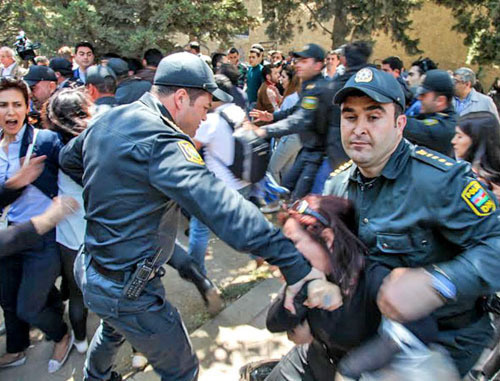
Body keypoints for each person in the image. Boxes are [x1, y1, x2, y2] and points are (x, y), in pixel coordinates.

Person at [59, 52, 336, 381]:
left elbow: (69, 159)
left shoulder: (110, 119)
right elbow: (220, 206)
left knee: (113, 328)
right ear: (180, 98)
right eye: (204, 108)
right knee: (183, 369)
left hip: (91, 269)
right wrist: (291, 261)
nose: (205, 119)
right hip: (128, 288)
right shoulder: (163, 142)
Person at [323, 67, 500, 377]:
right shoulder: (337, 186)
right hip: (370, 332)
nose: (359, 129)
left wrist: (439, 282)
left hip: (442, 342)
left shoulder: (440, 181)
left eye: (373, 117)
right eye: (350, 117)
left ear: (400, 124)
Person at [0, 77, 73, 372]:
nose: (10, 111)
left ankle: (61, 334)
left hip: (43, 237)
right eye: (2, 105)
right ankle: (17, 348)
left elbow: (75, 173)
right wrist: (16, 184)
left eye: (17, 104)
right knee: (8, 300)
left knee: (28, 307)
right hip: (8, 235)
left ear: (27, 107)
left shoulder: (45, 140)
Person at [249, 43, 332, 199]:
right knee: (288, 189)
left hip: (322, 157)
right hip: (309, 151)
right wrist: (272, 117)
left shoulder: (320, 89)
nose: (298, 64)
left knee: (302, 199)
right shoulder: (310, 86)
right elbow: (295, 111)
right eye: (298, 60)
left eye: (304, 61)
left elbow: (299, 120)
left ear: (318, 65)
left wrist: (265, 130)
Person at [403, 69, 457, 156]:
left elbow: (408, 126)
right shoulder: (430, 114)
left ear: (440, 100)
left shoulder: (447, 125)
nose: (419, 98)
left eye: (423, 95)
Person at [266, 65, 302, 187]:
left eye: (284, 76)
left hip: (289, 138)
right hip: (298, 139)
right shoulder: (296, 96)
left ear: (291, 79)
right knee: (286, 171)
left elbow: (282, 119)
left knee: (272, 169)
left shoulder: (291, 98)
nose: (281, 79)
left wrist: (272, 102)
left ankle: (276, 199)